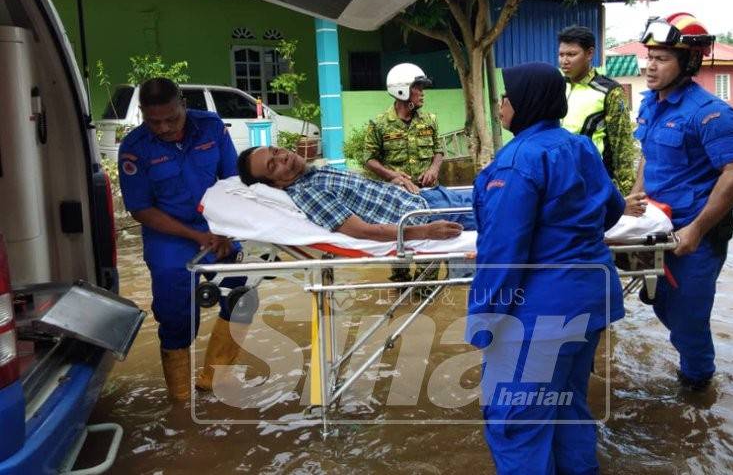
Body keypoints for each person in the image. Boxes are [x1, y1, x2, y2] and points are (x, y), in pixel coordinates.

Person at [467, 62, 626, 474]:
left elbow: (503, 254)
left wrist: (483, 319)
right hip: (590, 299)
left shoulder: (516, 161)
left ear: (525, 101)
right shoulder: (581, 147)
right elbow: (612, 209)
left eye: (506, 96)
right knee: (567, 406)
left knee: (515, 420)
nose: (501, 104)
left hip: (542, 312)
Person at [633, 12, 733, 391]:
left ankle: (698, 388)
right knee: (663, 304)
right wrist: (634, 200)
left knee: (688, 319)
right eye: (649, 56)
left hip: (695, 237)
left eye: (662, 58)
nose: (650, 66)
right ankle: (695, 368)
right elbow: (648, 156)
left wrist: (698, 229)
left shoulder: (709, 113)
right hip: (656, 228)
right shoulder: (651, 104)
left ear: (688, 62)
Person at [118, 78, 248, 401]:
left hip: (216, 225)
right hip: (169, 237)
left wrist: (224, 228)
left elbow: (232, 180)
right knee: (176, 314)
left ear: (183, 107)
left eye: (171, 118)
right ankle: (180, 401)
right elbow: (141, 210)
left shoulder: (211, 127)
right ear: (143, 116)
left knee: (241, 293)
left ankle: (214, 379)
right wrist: (196, 236)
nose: (163, 128)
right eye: (153, 121)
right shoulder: (134, 148)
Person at [237, 146, 475, 241]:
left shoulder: (315, 173)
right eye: (273, 165)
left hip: (428, 198)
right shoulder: (308, 194)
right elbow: (364, 230)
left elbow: (364, 195)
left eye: (276, 150)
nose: (282, 156)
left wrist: (393, 180)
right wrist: (425, 231)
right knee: (508, 211)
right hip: (430, 216)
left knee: (503, 195)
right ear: (275, 185)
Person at [558, 25, 637, 195]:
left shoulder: (610, 91)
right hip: (559, 180)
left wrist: (627, 195)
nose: (564, 60)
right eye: (561, 54)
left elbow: (622, 147)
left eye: (571, 54)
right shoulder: (556, 86)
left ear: (589, 53)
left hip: (593, 184)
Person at [364, 63, 444, 192]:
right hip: (397, 194)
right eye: (418, 88)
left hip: (430, 192)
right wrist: (392, 175)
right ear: (401, 90)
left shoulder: (430, 120)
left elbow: (438, 150)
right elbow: (369, 159)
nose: (422, 94)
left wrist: (433, 170)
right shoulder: (378, 124)